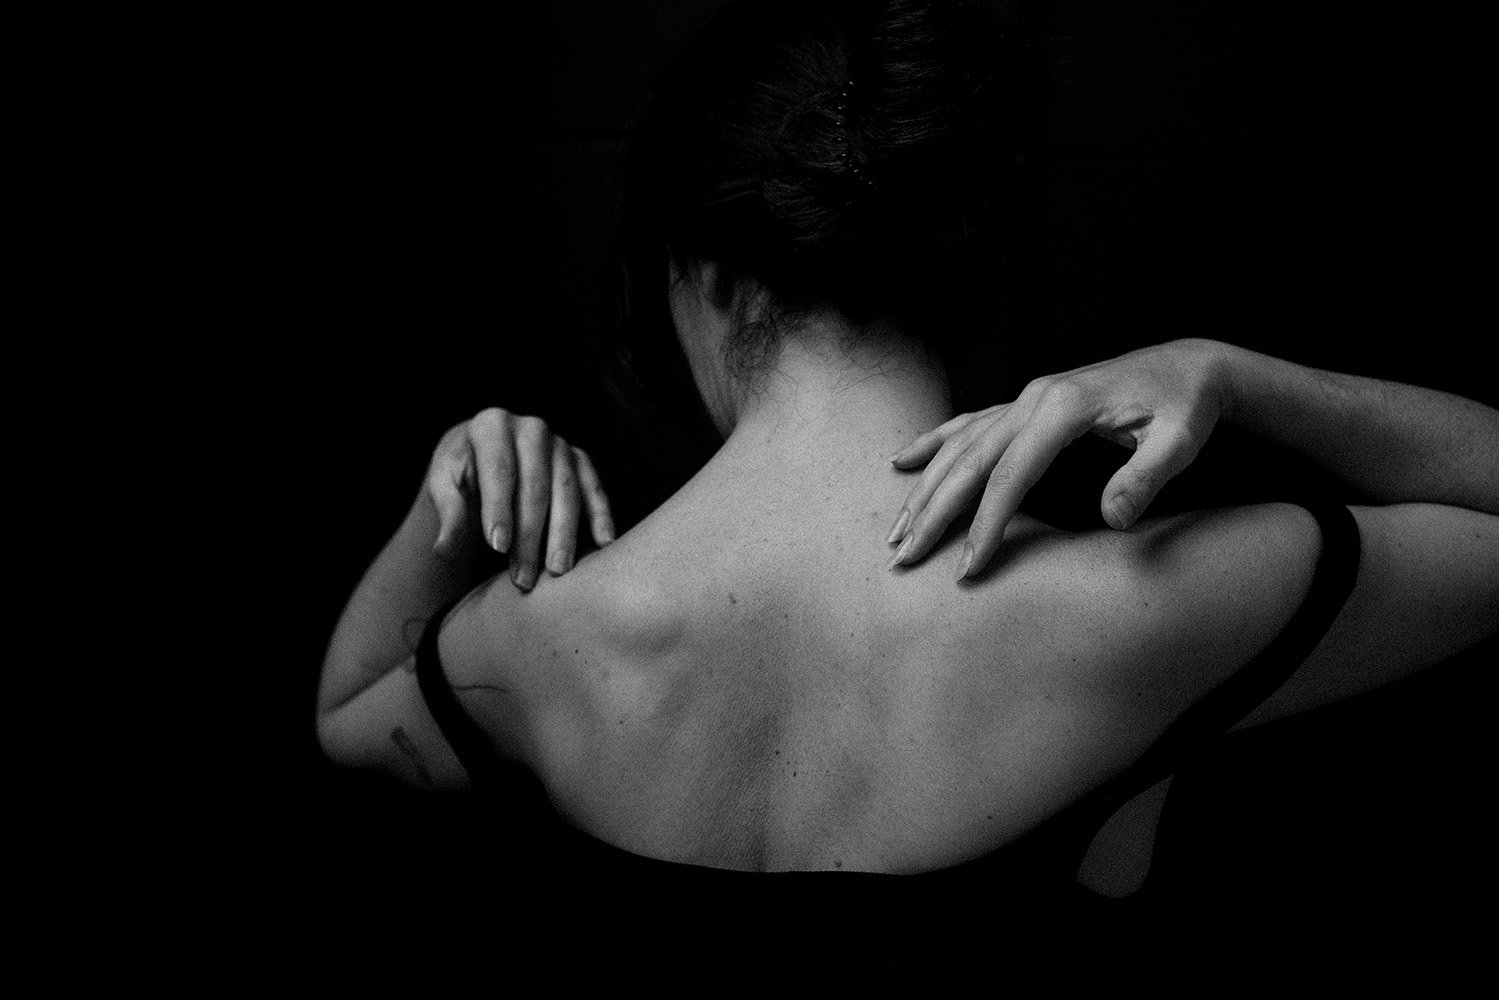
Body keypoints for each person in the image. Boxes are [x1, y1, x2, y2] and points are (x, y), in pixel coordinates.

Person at [315, 0, 1497, 934]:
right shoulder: (1140, 610)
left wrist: (445, 502)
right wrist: (1230, 373)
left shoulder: (539, 637)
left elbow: (341, 718)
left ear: (706, 273)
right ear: (960, 269)